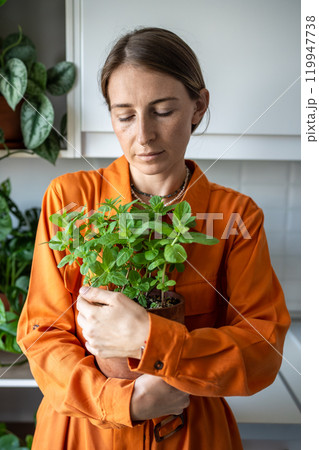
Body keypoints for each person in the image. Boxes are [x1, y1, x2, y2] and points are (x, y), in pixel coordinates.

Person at [17, 27, 290, 449]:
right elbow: (42, 334)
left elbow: (261, 351)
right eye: (124, 115)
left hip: (190, 427)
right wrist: (121, 402)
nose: (142, 135)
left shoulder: (238, 216)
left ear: (198, 106)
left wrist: (149, 337)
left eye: (162, 111)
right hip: (83, 430)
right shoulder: (71, 199)